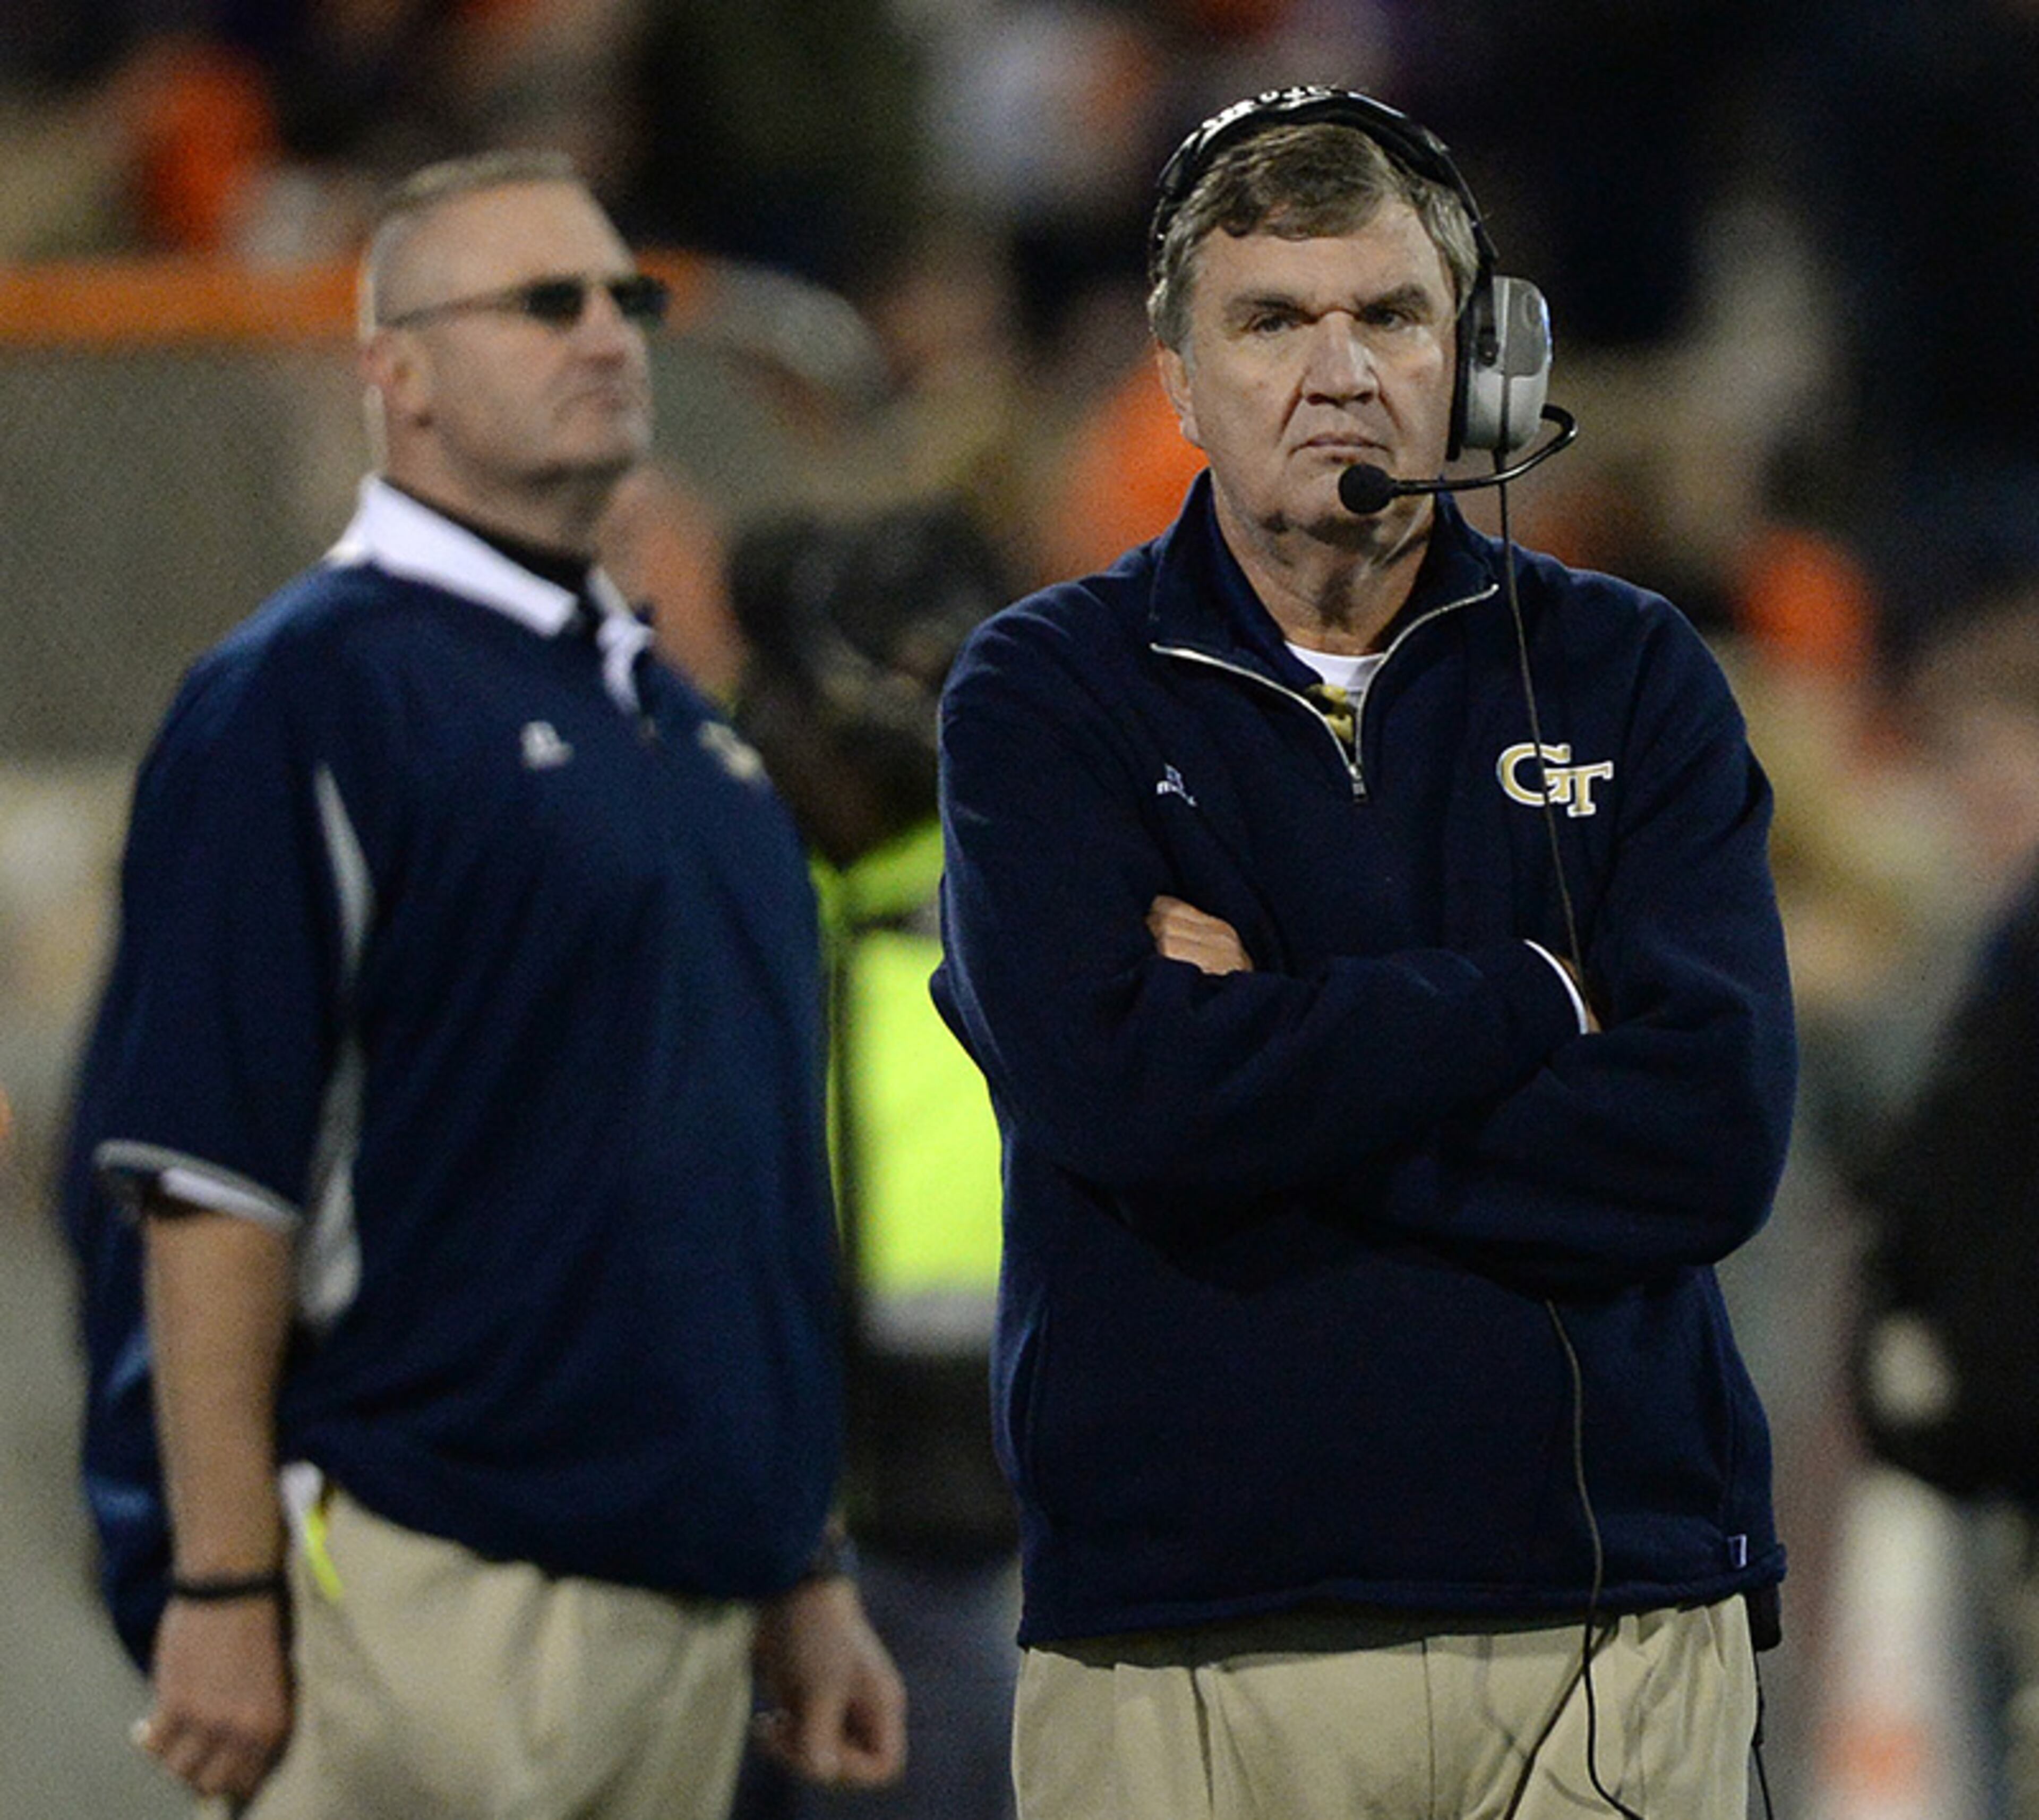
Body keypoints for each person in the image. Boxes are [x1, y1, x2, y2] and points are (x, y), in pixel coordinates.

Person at [931, 87, 1797, 1819]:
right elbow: (1134, 1106)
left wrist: (1271, 1054)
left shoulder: (1631, 672)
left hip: (1605, 1627)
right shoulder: (1044, 696)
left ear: (1479, 361)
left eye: (1390, 315)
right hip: (1187, 1644)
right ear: (1177, 377)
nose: (1339, 370)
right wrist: (1529, 998)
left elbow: (1707, 1139)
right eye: (1271, 320)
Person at [57, 148, 904, 1818]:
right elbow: (207, 1178)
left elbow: (740, 1181)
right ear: (399, 374)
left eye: (623, 299)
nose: (607, 333)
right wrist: (217, 1585)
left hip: (693, 1606)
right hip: (433, 1589)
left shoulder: (687, 736)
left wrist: (800, 1554)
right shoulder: (302, 695)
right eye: (541, 302)